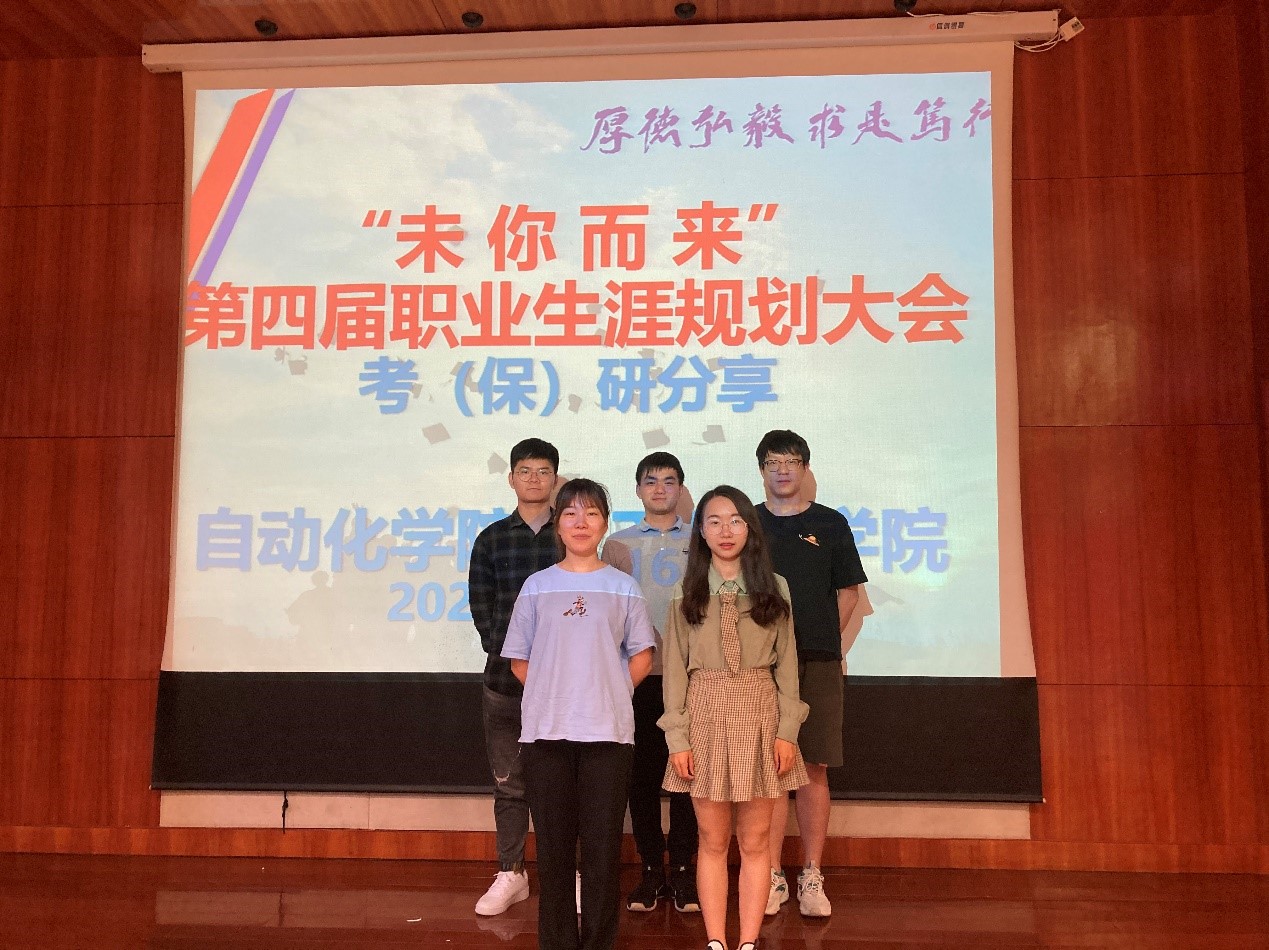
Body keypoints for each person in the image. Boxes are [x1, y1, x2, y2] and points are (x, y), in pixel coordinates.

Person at [502, 478, 657, 950]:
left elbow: (642, 655)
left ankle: (598, 942)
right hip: (546, 736)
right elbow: (519, 660)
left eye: (591, 513)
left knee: (602, 849)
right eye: (570, 513)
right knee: (552, 850)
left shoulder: (623, 587)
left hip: (608, 736)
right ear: (558, 525)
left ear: (605, 524)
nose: (581, 522)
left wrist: (607, 692)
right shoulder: (537, 586)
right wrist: (556, 694)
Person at [660, 485, 809, 950]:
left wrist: (787, 732)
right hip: (704, 714)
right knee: (711, 839)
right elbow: (675, 672)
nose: (726, 531)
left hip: (760, 712)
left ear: (750, 529)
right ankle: (715, 941)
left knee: (757, 841)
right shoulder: (684, 593)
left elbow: (788, 667)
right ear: (701, 533)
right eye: (714, 521)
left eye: (736, 521)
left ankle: (747, 941)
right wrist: (678, 737)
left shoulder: (775, 588)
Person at [754, 430, 867, 918]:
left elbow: (848, 593)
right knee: (770, 769)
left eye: (792, 461)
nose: (783, 469)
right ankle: (771, 874)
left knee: (813, 766)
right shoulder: (747, 524)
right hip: (759, 665)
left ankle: (811, 873)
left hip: (817, 661)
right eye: (774, 461)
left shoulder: (830, 523)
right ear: (761, 469)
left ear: (804, 468)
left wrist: (821, 638)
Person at [601, 452, 700, 913]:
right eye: (651, 481)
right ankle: (650, 871)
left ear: (681, 488)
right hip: (637, 677)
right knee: (639, 778)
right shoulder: (617, 545)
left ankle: (682, 870)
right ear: (638, 489)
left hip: (693, 678)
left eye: (669, 480)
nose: (660, 488)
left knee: (688, 775)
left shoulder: (701, 539)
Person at [469, 438, 561, 916]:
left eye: (543, 471)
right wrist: (510, 653)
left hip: (564, 685)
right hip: (504, 683)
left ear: (554, 479)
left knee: (563, 785)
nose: (533, 479)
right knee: (509, 783)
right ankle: (512, 872)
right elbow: (481, 606)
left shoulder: (569, 534)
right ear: (511, 479)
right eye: (525, 471)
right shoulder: (491, 539)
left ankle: (566, 876)